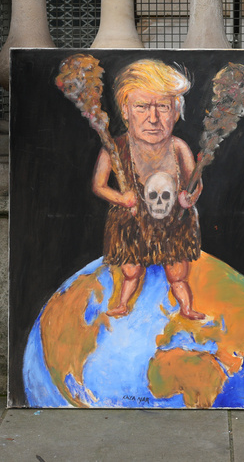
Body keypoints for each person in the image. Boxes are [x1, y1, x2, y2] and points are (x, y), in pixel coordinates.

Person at [92, 59, 205, 320]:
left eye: (163, 107)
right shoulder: (115, 150)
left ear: (175, 112)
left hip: (173, 225)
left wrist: (190, 197)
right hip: (131, 225)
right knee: (131, 270)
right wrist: (121, 198)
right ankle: (123, 303)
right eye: (142, 107)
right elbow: (98, 185)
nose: (153, 119)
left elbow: (195, 182)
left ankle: (186, 307)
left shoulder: (179, 148)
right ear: (125, 109)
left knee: (178, 274)